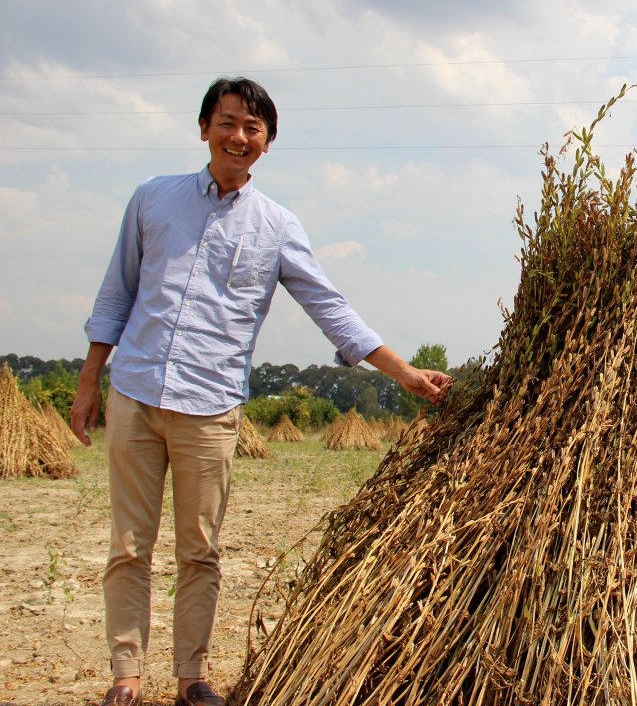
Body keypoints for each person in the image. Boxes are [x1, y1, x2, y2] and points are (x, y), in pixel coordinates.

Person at [69, 76, 452, 706]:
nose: (238, 136)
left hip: (210, 406)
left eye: (253, 128)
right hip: (135, 393)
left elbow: (329, 307)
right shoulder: (151, 199)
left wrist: (403, 372)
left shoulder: (277, 226)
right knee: (129, 546)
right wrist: (90, 381)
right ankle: (125, 677)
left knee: (199, 550)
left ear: (268, 142)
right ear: (204, 129)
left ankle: (192, 677)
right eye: (227, 122)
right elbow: (118, 293)